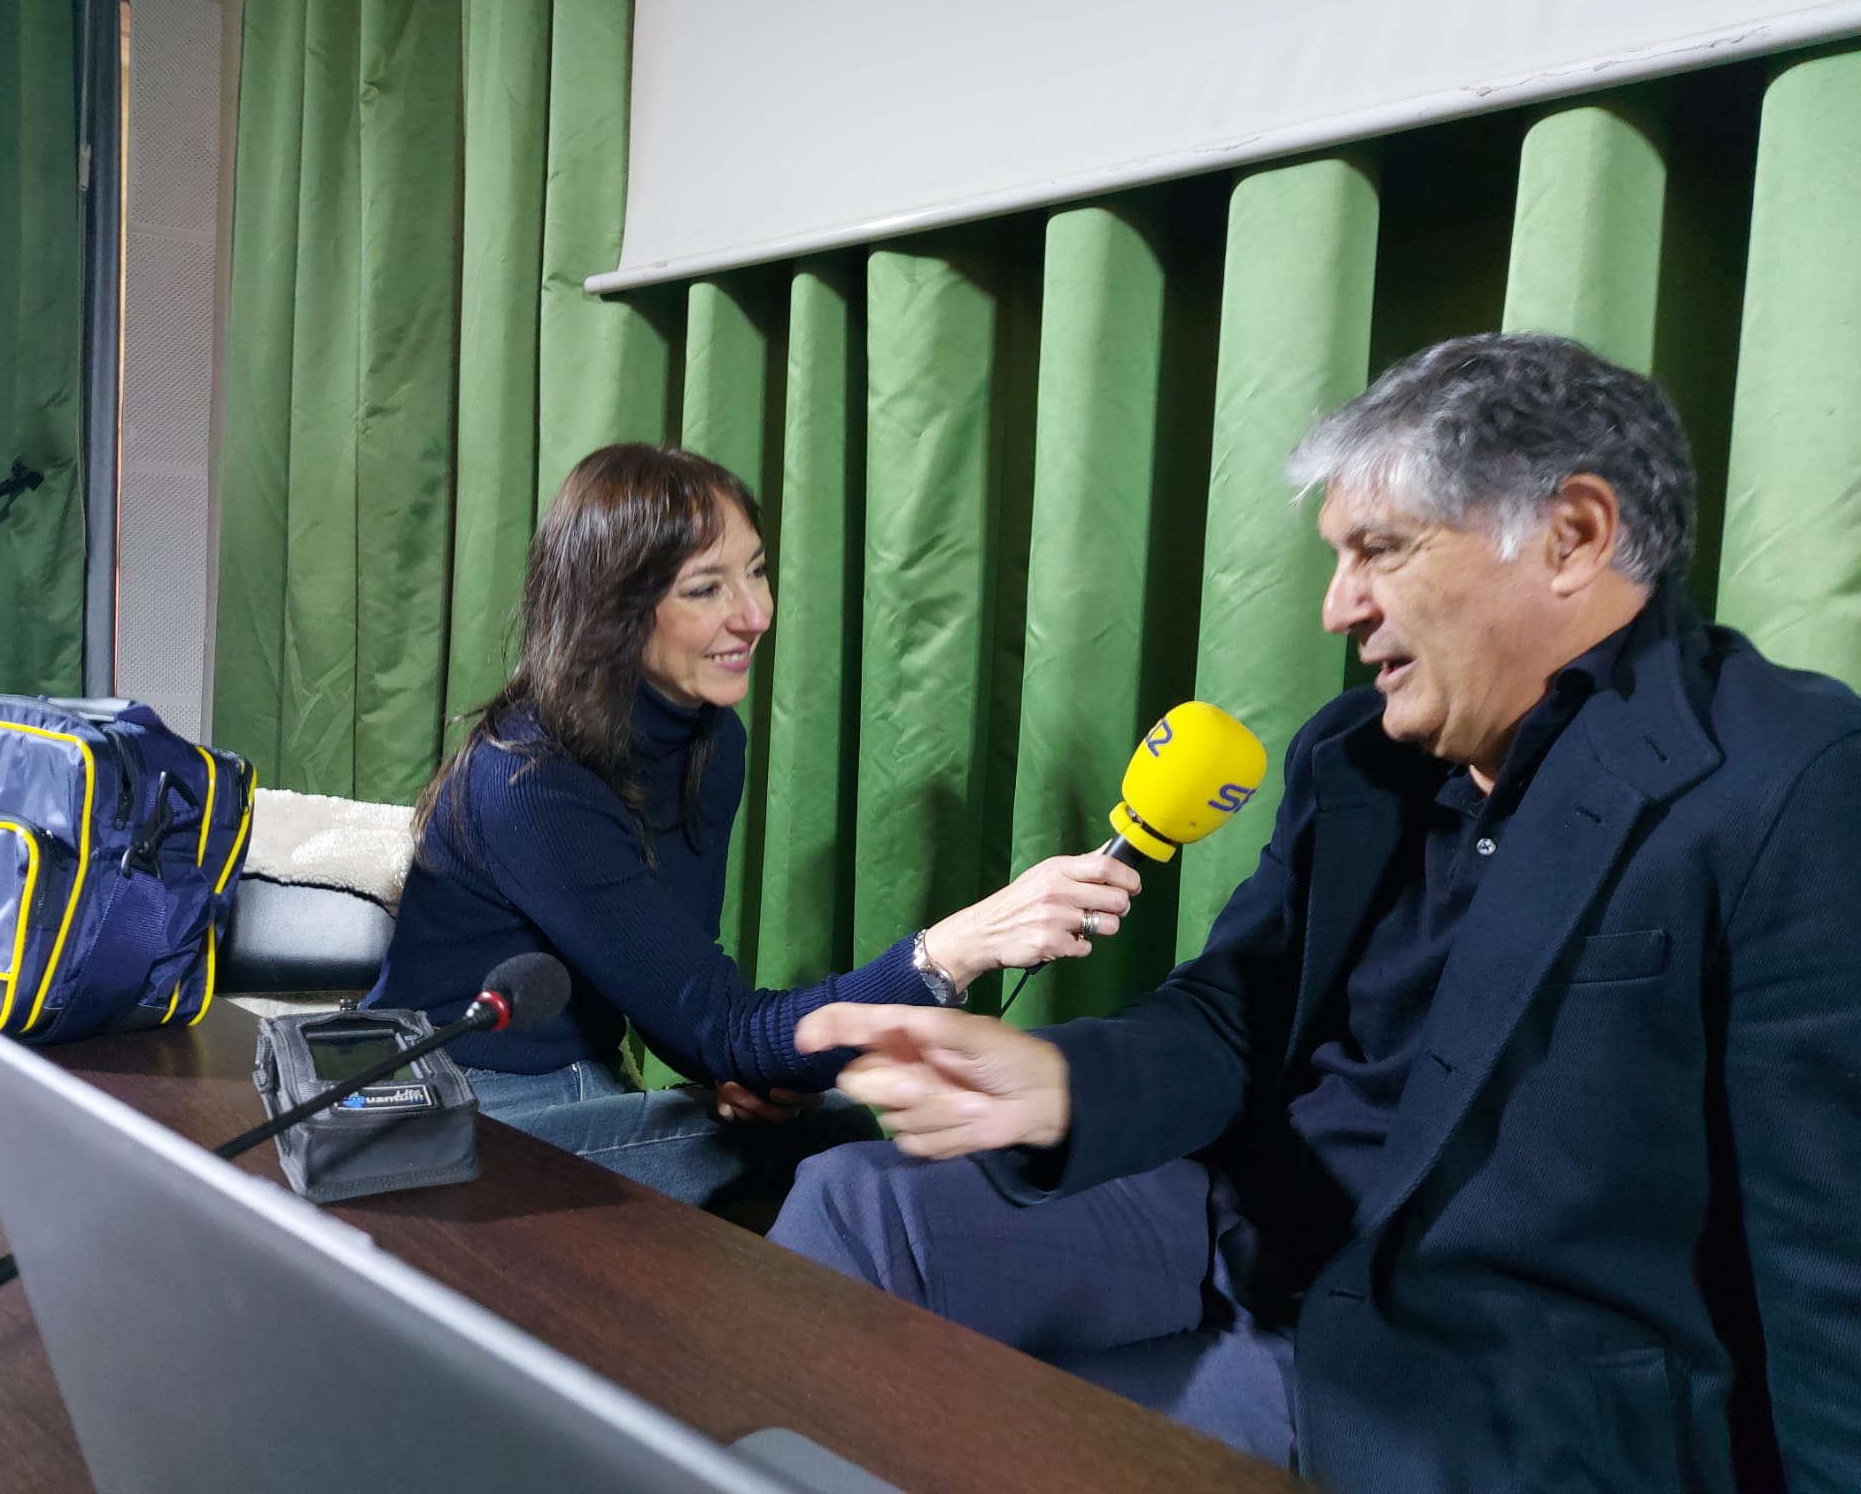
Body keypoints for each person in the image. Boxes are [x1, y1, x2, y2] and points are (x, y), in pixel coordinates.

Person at [769, 334, 1861, 1491]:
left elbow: (1826, 1248)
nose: (1337, 605)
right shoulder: (1350, 756)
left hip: (1459, 1367)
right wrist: (1058, 1084)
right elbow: (1231, 1017)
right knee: (848, 1203)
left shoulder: (1786, 776)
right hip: (1237, 1224)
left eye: (1376, 552)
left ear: (1571, 536)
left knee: (1002, 1454)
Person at [366, 443, 1139, 1211]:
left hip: (586, 1079)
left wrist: (745, 1072)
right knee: (833, 1149)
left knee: (827, 1127)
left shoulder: (707, 739)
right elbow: (720, 1027)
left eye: (757, 570)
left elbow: (690, 991)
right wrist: (954, 951)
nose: (756, 614)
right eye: (706, 588)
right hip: (455, 1101)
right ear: (614, 610)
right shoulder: (529, 781)